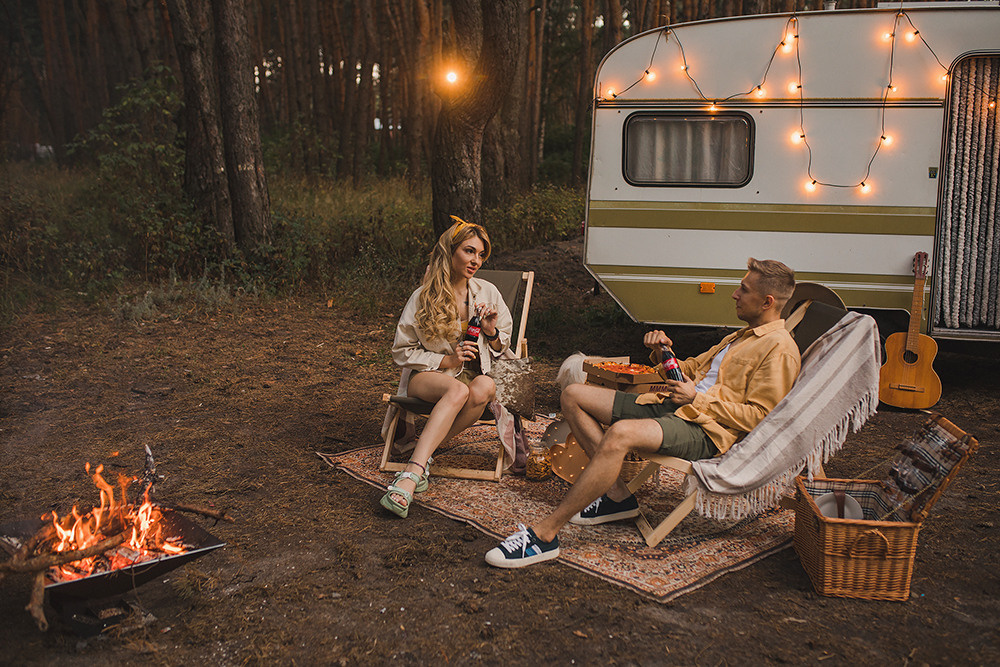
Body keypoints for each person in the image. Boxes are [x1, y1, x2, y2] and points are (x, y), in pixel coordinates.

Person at [485, 257, 800, 567]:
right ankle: (619, 497)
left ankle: (544, 535)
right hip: (673, 406)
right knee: (572, 395)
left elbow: (762, 418)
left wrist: (696, 400)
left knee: (620, 434)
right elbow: (690, 370)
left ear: (766, 301)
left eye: (743, 289)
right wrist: (664, 353)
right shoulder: (740, 335)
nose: (735, 294)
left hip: (707, 430)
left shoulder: (779, 349)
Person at [381, 217, 514, 518]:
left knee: (486, 387)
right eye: (469, 251)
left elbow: (502, 344)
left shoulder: (488, 293)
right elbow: (401, 351)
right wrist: (447, 361)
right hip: (430, 376)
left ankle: (422, 457)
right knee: (456, 389)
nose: (476, 260)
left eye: (481, 254)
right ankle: (411, 475)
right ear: (450, 252)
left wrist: (491, 331)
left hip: (473, 375)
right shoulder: (423, 297)